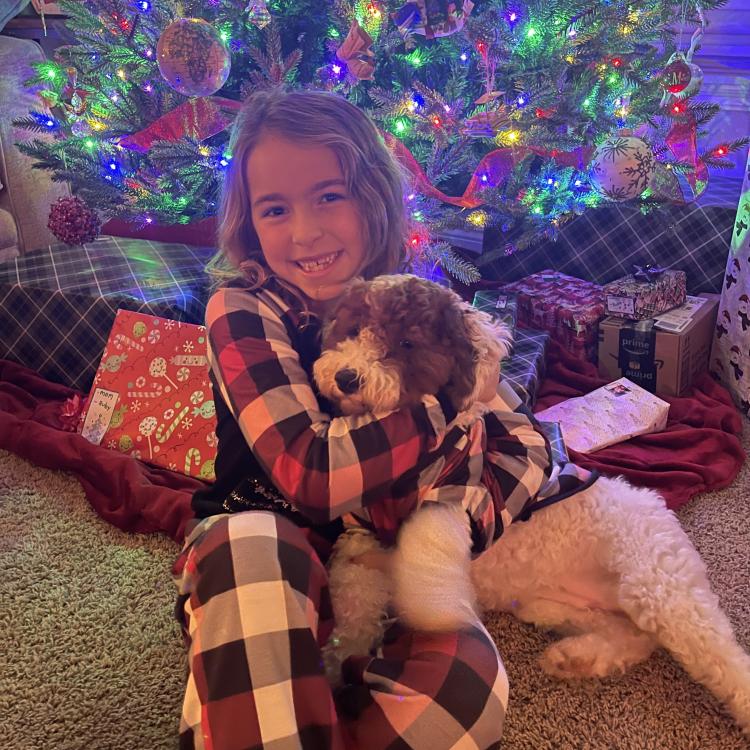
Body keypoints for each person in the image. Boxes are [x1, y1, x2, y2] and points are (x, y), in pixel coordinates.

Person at [173, 87, 554, 750]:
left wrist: (459, 516)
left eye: (329, 196)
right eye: (275, 208)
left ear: (373, 196)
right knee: (250, 551)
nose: (304, 231)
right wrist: (447, 397)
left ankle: (263, 712)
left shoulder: (411, 294)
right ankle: (263, 695)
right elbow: (310, 474)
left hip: (386, 556)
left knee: (470, 693)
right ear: (249, 223)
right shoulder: (243, 309)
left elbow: (527, 439)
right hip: (265, 545)